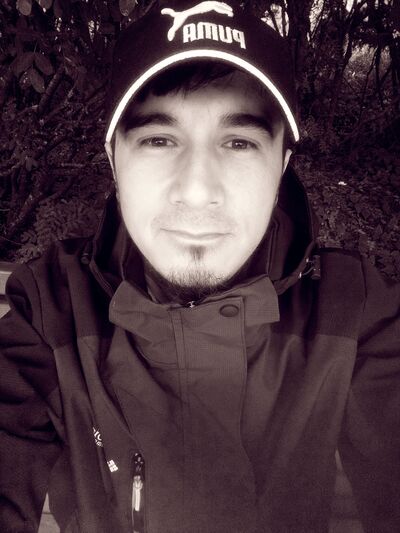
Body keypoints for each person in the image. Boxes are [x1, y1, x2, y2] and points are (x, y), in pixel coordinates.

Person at [1, 1, 399, 532]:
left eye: (238, 142)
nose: (196, 189)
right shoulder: (53, 308)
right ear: (114, 159)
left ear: (282, 163)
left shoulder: (353, 311)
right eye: (158, 139)